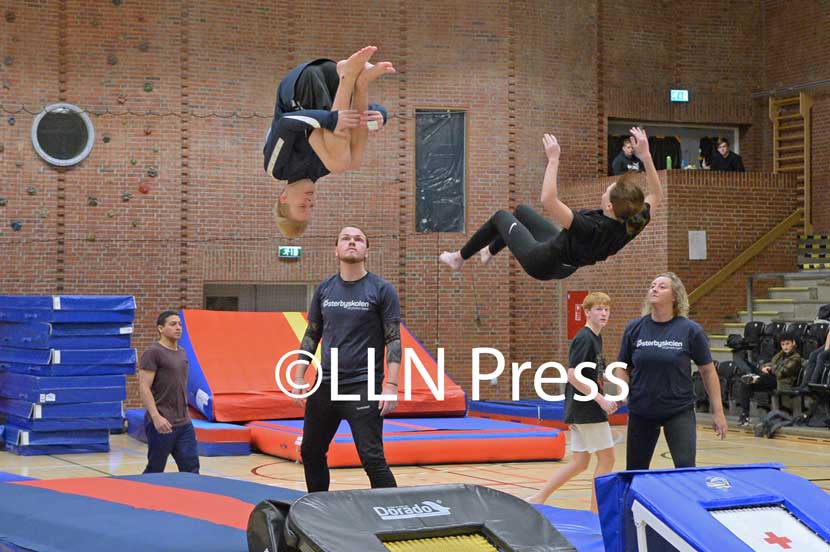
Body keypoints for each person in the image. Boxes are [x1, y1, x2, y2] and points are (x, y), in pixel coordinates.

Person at [438, 127, 662, 281]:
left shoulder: (590, 227)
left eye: (607, 191)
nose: (604, 191)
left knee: (500, 217)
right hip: (565, 261)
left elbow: (548, 200)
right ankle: (489, 250)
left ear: (611, 206)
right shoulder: (633, 221)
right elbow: (656, 194)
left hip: (542, 262)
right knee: (522, 212)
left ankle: (459, 257)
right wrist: (646, 157)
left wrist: (553, 160)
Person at [291, 226, 400, 492]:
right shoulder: (325, 289)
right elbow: (312, 334)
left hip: (363, 386)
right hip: (325, 385)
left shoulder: (381, 289)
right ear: (336, 250)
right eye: (346, 239)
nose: (352, 242)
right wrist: (298, 376)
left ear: (366, 251)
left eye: (359, 239)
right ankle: (319, 509)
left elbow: (393, 339)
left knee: (372, 458)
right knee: (311, 451)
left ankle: (398, 516)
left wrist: (392, 386)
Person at [264, 46, 395, 237]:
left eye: (302, 205)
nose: (309, 201)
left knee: (339, 164)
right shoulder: (321, 169)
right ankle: (361, 83)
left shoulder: (277, 169)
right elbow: (350, 119)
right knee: (351, 161)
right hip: (332, 82)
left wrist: (330, 120)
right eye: (312, 206)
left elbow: (285, 123)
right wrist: (379, 115)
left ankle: (349, 77)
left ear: (284, 197)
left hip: (300, 85)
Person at [614, 273, 727, 470]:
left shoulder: (690, 330)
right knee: (635, 471)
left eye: (662, 286)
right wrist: (621, 392)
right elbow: (622, 367)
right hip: (642, 409)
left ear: (675, 296)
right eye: (652, 285)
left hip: (678, 410)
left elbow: (708, 372)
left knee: (685, 468)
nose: (654, 289)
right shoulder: (635, 328)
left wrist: (718, 412)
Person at [526, 292, 617, 512]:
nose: (603, 313)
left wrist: (609, 393)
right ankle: (596, 513)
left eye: (606, 309)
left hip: (583, 408)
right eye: (598, 309)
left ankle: (539, 497)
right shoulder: (584, 338)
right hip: (586, 409)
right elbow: (573, 375)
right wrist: (600, 399)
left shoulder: (596, 337)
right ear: (587, 312)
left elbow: (592, 374)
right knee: (607, 460)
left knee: (580, 462)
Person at [137, 311, 199, 474]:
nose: (178, 328)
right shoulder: (153, 352)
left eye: (180, 324)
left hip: (184, 423)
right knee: (155, 469)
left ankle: (192, 499)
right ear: (160, 328)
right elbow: (144, 387)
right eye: (173, 324)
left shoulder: (182, 352)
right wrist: (156, 417)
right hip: (162, 423)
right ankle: (143, 497)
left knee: (191, 470)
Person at [737, 333, 802, 427]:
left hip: (781, 382)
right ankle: (744, 415)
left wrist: (771, 369)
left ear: (793, 343)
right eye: (783, 344)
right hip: (770, 379)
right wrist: (765, 367)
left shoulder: (796, 358)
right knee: (745, 383)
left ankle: (754, 378)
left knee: (760, 378)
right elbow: (770, 363)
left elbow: (782, 372)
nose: (785, 347)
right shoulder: (779, 355)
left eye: (787, 344)